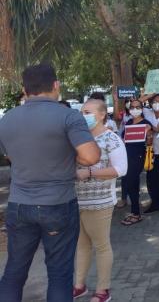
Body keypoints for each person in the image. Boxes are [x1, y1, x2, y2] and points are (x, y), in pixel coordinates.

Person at [0, 64, 100, 302]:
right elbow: (90, 157)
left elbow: (11, 156)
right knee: (59, 273)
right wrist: (64, 155)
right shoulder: (67, 116)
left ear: (24, 90)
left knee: (14, 271)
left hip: (19, 205)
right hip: (58, 203)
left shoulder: (7, 119)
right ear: (56, 85)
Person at [73, 99, 127, 302]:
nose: (83, 115)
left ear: (102, 114)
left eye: (87, 111)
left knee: (101, 245)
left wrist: (89, 172)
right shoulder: (78, 139)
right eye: (81, 111)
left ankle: (103, 290)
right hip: (77, 201)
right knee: (81, 245)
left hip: (100, 201)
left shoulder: (111, 139)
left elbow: (121, 169)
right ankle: (79, 285)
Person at [120, 99, 153, 226]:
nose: (134, 109)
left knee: (132, 182)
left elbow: (149, 143)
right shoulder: (128, 122)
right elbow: (123, 138)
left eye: (137, 107)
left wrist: (149, 133)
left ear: (142, 108)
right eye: (132, 107)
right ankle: (135, 211)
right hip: (126, 156)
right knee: (129, 183)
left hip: (138, 156)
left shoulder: (146, 123)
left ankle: (136, 213)